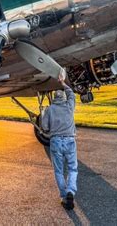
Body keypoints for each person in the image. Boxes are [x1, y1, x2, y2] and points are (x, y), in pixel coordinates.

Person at [41, 72, 78, 210]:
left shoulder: (50, 109)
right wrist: (63, 83)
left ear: (54, 99)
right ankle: (70, 191)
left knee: (58, 171)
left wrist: (46, 118)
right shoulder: (70, 106)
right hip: (70, 140)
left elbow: (44, 127)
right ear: (63, 98)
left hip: (56, 141)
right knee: (73, 168)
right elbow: (71, 94)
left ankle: (63, 196)